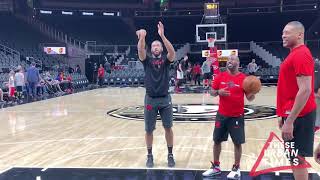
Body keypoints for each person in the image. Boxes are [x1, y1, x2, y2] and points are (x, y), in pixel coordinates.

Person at [202, 55, 255, 179]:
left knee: (237, 143)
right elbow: (211, 91)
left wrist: (253, 91)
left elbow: (249, 98)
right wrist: (218, 92)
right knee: (216, 140)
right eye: (228, 60)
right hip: (222, 115)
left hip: (236, 116)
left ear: (238, 63)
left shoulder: (244, 78)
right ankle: (216, 167)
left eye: (233, 59)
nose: (229, 61)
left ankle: (236, 168)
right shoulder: (220, 76)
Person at [278, 21, 316, 180]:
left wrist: (289, 121)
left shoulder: (300, 54)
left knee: (297, 158)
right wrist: (283, 115)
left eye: (287, 32)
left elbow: (306, 89)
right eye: (282, 33)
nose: (283, 36)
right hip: (294, 114)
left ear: (299, 35)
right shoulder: (295, 53)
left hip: (299, 116)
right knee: (294, 157)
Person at [136, 21, 176, 168]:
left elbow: (172, 53)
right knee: (148, 129)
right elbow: (140, 51)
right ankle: (149, 155)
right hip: (150, 99)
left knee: (168, 128)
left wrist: (163, 36)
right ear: (151, 49)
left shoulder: (166, 60)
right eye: (153, 46)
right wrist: (142, 37)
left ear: (161, 48)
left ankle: (170, 154)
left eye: (158, 45)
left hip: (165, 99)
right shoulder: (147, 61)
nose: (156, 47)